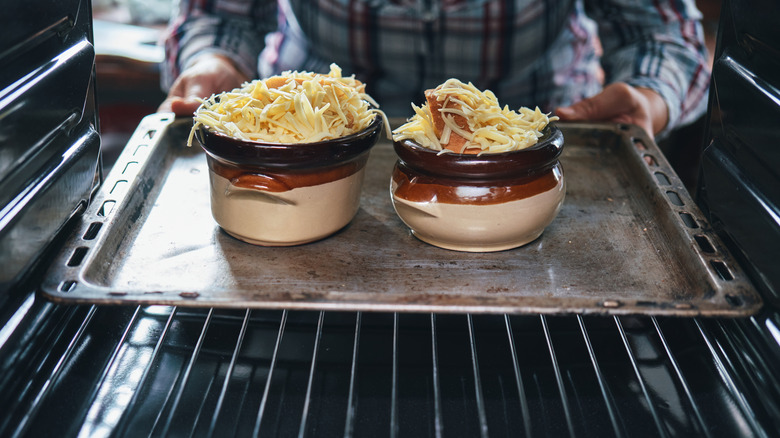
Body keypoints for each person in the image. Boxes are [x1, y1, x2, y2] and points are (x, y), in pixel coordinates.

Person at [158, 0, 710, 139]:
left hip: (545, 130)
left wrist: (649, 95)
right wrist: (218, 61)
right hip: (313, 139)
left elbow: (656, 32)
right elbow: (220, 12)